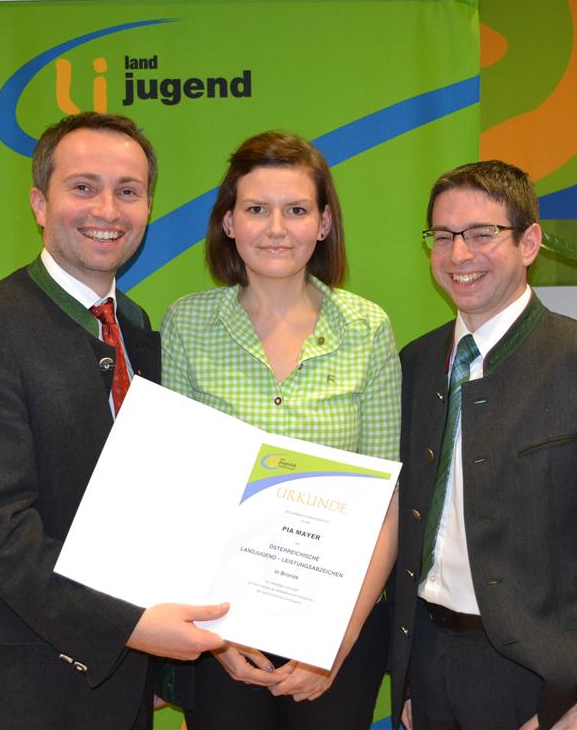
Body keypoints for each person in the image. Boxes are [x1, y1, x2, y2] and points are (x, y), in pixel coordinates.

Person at [0, 112, 228, 730]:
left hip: (123, 683)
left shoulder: (136, 328)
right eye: (83, 187)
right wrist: (130, 627)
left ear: (148, 208)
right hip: (20, 689)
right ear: (40, 203)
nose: (107, 210)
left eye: (128, 191)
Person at [391, 161, 577, 730]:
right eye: (443, 236)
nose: (459, 254)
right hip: (431, 669)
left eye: (482, 233)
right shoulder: (415, 363)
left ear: (529, 242)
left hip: (543, 685)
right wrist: (411, 679)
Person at [160, 131, 401, 730]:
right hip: (219, 620)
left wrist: (337, 641)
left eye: (296, 210)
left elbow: (387, 502)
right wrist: (216, 635)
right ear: (228, 222)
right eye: (256, 209)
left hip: (338, 624)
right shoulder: (187, 323)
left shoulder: (367, 328)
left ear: (323, 224)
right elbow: (176, 487)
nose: (276, 228)